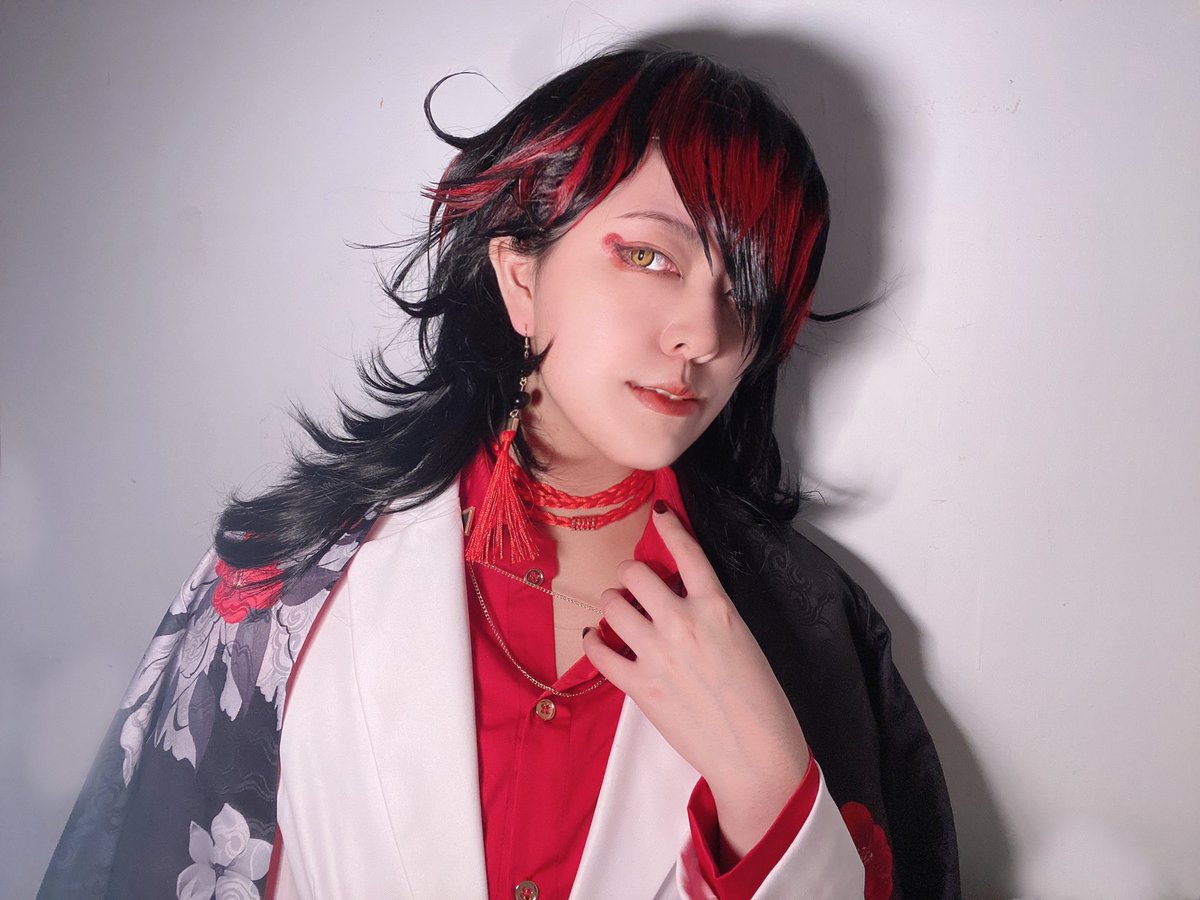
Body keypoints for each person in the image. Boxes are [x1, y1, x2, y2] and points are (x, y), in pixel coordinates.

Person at [39, 46, 959, 899]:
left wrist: (766, 782)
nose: (703, 334)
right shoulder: (294, 574)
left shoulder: (812, 626)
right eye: (648, 256)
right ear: (521, 277)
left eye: (744, 289)